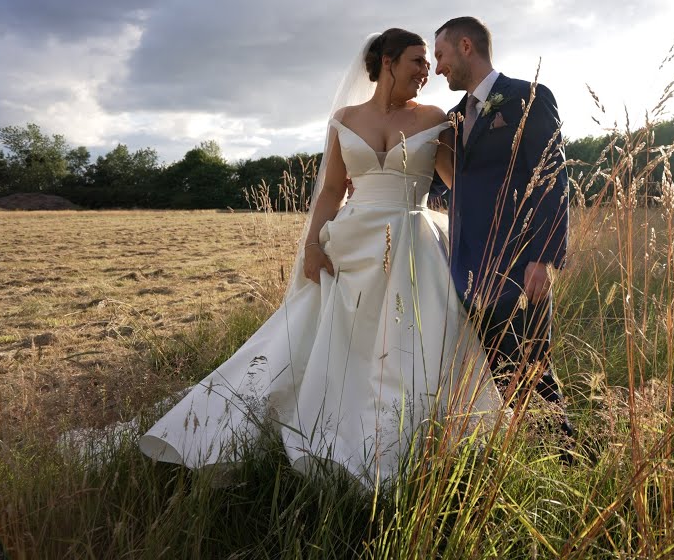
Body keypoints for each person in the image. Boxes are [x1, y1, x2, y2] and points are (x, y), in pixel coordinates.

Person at [138, 29, 500, 487]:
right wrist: (312, 245)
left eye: (429, 63)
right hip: (350, 243)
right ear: (388, 62)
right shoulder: (345, 119)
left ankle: (401, 437)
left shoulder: (435, 118)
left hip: (414, 243)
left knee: (409, 339)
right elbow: (331, 190)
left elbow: (459, 185)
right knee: (330, 337)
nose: (426, 71)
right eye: (417, 61)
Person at [432, 16, 577, 450]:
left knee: (533, 371)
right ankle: (515, 459)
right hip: (467, 271)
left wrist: (543, 258)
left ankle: (565, 458)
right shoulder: (452, 119)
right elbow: (442, 185)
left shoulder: (528, 98)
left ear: (466, 46)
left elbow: (552, 178)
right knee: (493, 376)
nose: (438, 68)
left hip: (519, 265)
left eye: (440, 55)